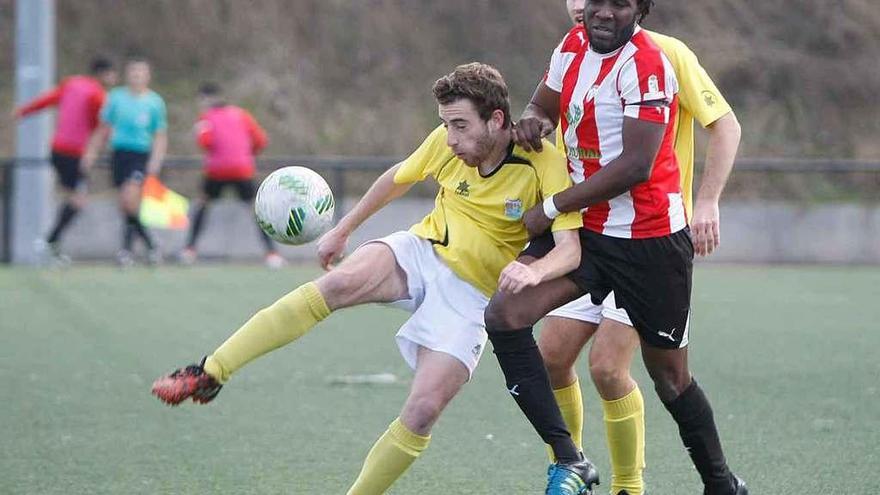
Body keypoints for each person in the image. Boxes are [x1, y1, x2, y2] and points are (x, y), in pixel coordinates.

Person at [151, 63, 589, 494]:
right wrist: (343, 229)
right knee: (337, 285)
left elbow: (571, 249)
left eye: (460, 125)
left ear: (496, 120)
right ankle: (209, 371)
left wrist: (531, 271)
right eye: (446, 125)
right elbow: (396, 179)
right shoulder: (444, 142)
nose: (451, 139)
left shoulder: (542, 164)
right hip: (424, 250)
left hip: (475, 297)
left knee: (422, 412)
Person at [484, 1, 746, 494]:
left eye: (619, 3)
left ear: (641, 9)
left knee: (668, 378)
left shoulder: (649, 64)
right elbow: (542, 104)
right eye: (596, 1)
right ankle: (571, 461)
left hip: (650, 242)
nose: (601, 12)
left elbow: (636, 165)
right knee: (505, 315)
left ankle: (722, 484)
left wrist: (553, 204)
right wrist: (534, 119)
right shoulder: (571, 44)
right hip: (586, 233)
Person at [12, 57, 118, 264]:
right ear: (103, 74)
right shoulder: (98, 95)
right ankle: (48, 243)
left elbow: (48, 99)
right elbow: (102, 127)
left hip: (57, 150)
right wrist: (99, 148)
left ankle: (52, 244)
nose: (114, 78)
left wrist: (24, 111)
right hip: (73, 153)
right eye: (112, 74)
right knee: (78, 200)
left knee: (74, 197)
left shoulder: (71, 83)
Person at [179, 82, 284, 269]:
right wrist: (246, 154)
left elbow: (205, 142)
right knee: (257, 211)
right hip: (243, 169)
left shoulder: (206, 117)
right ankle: (272, 254)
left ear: (204, 99)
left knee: (203, 205)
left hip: (217, 170)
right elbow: (261, 140)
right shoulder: (241, 114)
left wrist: (200, 133)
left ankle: (189, 250)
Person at [81, 57, 167, 266]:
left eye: (141, 72)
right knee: (126, 205)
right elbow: (103, 129)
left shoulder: (154, 102)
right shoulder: (116, 98)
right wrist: (91, 152)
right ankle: (148, 245)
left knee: (130, 198)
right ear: (128, 75)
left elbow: (159, 135)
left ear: (147, 76)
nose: (137, 76)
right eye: (133, 72)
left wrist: (156, 159)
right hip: (119, 155)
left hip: (140, 155)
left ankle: (128, 250)